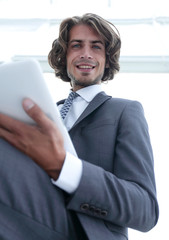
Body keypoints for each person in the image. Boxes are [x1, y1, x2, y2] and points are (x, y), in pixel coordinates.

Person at [0, 13, 159, 240]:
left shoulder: (124, 111)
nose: (86, 54)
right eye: (76, 45)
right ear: (64, 56)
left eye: (96, 47)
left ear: (107, 58)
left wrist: (63, 166)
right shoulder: (44, 112)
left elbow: (145, 209)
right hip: (26, 215)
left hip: (83, 231)